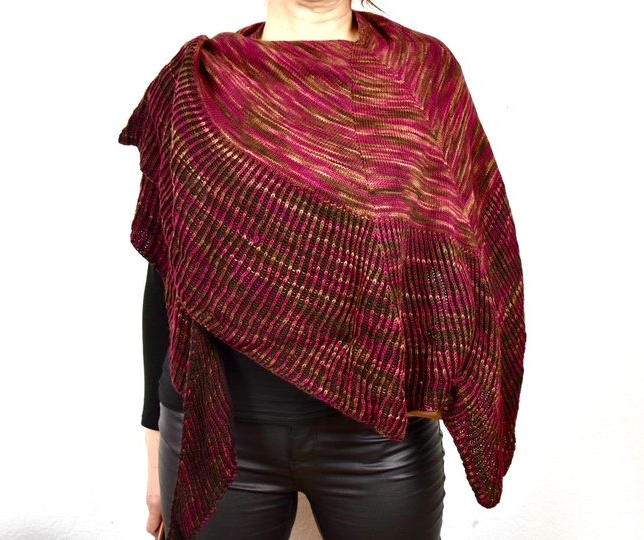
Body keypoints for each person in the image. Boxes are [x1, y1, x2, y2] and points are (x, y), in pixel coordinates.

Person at [119, 1, 526, 538]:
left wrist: (444, 369)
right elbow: (169, 270)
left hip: (378, 435)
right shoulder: (199, 82)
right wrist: (152, 438)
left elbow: (470, 248)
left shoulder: (419, 70)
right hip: (213, 426)